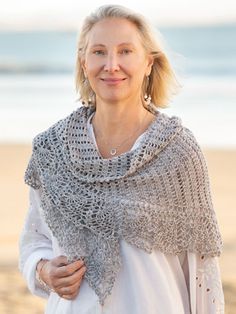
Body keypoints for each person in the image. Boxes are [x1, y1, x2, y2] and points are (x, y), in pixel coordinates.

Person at [19, 4, 225, 314]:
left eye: (126, 51)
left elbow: (202, 271)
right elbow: (34, 241)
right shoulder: (52, 150)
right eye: (99, 52)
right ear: (83, 62)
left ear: (148, 64)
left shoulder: (178, 152)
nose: (112, 65)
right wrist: (44, 271)